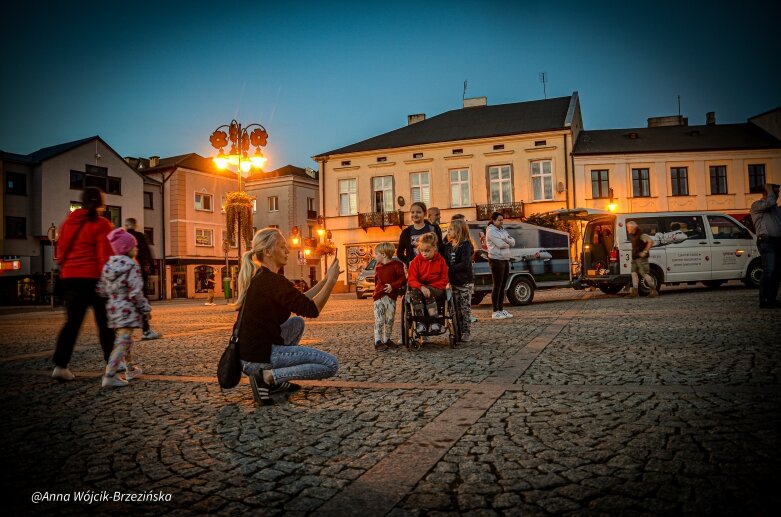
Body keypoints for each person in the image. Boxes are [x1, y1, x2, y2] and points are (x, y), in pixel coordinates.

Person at [236, 228, 341, 406]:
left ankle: (272, 382)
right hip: (259, 357)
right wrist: (332, 281)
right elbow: (312, 310)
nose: (287, 250)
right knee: (330, 364)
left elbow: (299, 301)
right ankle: (270, 377)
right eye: (282, 246)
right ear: (268, 251)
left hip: (247, 354)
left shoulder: (262, 277)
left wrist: (323, 281)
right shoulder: (274, 281)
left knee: (296, 323)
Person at [51, 187, 115, 382]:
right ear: (102, 203)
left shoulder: (69, 222)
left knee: (72, 324)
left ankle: (60, 366)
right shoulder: (102, 224)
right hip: (95, 278)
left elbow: (60, 252)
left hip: (70, 278)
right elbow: (105, 255)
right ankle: (112, 364)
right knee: (105, 324)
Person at [97, 228, 151, 388]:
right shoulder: (131, 266)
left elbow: (101, 289)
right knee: (122, 342)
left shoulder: (109, 264)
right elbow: (136, 291)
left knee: (125, 339)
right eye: (134, 246)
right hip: (127, 309)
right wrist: (145, 308)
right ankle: (110, 374)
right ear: (127, 249)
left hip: (113, 308)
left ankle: (130, 368)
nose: (137, 249)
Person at [123, 218, 162, 340]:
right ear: (136, 225)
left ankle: (122, 331)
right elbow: (147, 252)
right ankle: (146, 329)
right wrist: (151, 268)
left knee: (125, 300)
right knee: (141, 298)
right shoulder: (139, 236)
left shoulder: (123, 237)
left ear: (126, 225)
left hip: (124, 273)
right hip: (138, 272)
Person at [407, 232, 449, 335]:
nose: (424, 254)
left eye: (427, 251)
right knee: (415, 292)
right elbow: (412, 279)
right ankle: (421, 322)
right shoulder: (416, 262)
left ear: (434, 248)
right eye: (422, 251)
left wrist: (429, 287)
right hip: (420, 288)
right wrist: (421, 287)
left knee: (428, 292)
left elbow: (444, 280)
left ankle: (434, 322)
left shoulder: (441, 261)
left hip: (437, 288)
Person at [750, 183, 781, 308]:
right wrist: (769, 190)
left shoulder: (776, 209)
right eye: (775, 193)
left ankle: (771, 299)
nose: (777, 195)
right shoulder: (757, 205)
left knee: (777, 272)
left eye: (778, 193)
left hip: (778, 241)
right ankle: (764, 300)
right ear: (767, 193)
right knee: (770, 270)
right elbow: (770, 202)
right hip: (766, 242)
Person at [371, 242, 406, 351]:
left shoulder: (396, 265)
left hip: (391, 297)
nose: (375, 256)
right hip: (378, 297)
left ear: (384, 254)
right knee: (379, 319)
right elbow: (376, 281)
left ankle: (387, 339)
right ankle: (377, 341)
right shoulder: (378, 267)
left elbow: (403, 279)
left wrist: (393, 286)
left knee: (390, 319)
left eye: (376, 254)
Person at [445, 218, 474, 342]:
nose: (448, 232)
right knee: (455, 308)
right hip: (452, 283)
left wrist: (449, 269)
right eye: (448, 229)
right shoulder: (447, 246)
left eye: (451, 229)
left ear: (459, 231)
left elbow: (465, 264)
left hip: (464, 282)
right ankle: (458, 330)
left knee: (465, 308)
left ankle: (466, 331)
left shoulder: (465, 245)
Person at [486, 212, 515, 319]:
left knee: (503, 286)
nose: (501, 221)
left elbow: (513, 242)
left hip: (505, 259)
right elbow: (500, 244)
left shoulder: (502, 230)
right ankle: (495, 311)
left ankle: (501, 309)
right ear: (493, 220)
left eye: (502, 220)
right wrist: (507, 241)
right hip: (496, 259)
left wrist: (506, 240)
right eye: (499, 220)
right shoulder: (491, 231)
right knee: (497, 285)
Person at [626, 220, 658, 298]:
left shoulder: (641, 234)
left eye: (628, 227)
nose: (627, 229)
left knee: (644, 274)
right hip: (635, 257)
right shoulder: (633, 235)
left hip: (641, 258)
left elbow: (650, 241)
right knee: (634, 273)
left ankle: (654, 291)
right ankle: (635, 292)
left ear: (632, 227)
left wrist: (645, 251)